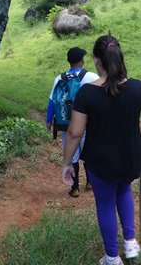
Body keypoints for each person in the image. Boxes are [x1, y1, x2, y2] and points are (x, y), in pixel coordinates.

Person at [61, 35, 141, 265]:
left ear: (98, 60)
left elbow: (74, 133)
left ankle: (112, 257)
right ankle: (130, 243)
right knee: (124, 191)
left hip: (101, 162)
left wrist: (67, 163)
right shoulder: (137, 88)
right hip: (130, 159)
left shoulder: (87, 93)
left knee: (106, 203)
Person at [47, 47, 99, 197]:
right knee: (87, 151)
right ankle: (90, 182)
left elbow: (52, 101)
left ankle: (75, 188)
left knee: (73, 154)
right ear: (82, 60)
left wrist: (49, 120)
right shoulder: (90, 76)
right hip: (86, 122)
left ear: (69, 61)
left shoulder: (59, 78)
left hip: (65, 123)